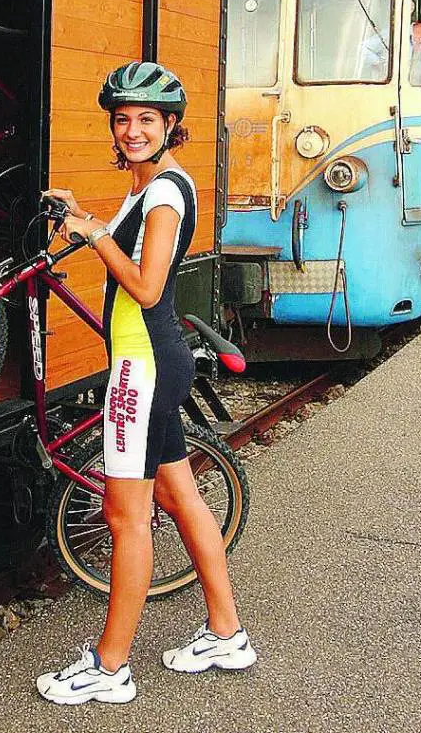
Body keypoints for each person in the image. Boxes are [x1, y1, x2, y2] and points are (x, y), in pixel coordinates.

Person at [37, 61, 256, 706]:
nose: (132, 130)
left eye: (146, 120)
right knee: (180, 496)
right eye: (123, 119)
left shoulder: (163, 194)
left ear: (170, 127)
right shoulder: (151, 185)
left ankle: (110, 669)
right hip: (151, 361)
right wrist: (86, 214)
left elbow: (147, 285)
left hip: (144, 369)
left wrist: (94, 232)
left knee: (125, 516)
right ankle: (227, 632)